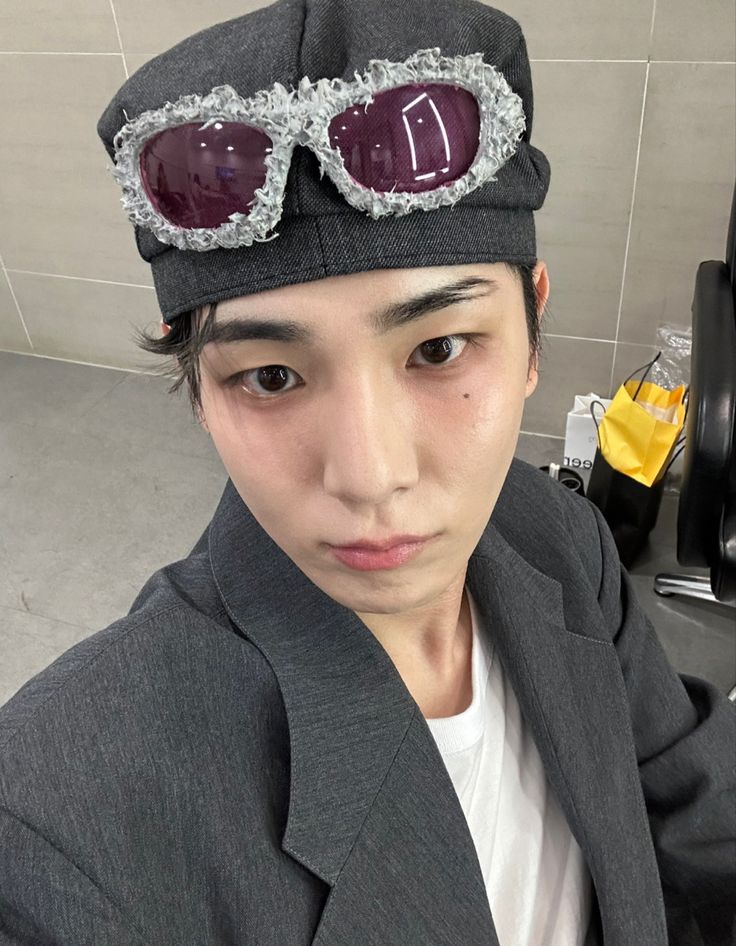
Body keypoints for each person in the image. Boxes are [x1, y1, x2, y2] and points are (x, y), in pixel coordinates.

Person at [0, 0, 734, 944]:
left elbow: (689, 801)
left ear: (533, 335)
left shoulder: (558, 539)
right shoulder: (59, 822)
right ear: (199, 392)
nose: (371, 475)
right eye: (271, 376)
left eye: (439, 351)